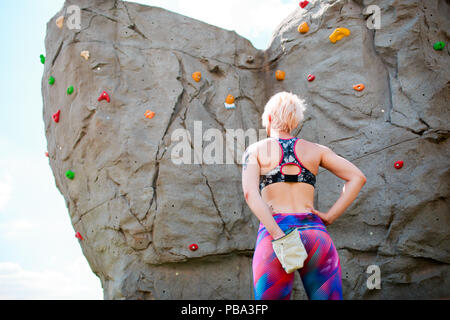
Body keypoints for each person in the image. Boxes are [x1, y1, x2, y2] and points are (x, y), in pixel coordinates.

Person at [241, 91, 367, 300]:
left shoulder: (256, 150)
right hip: (315, 234)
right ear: (295, 120)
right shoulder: (317, 150)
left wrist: (278, 234)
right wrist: (330, 216)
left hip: (276, 233)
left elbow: (249, 193)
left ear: (269, 118)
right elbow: (357, 177)